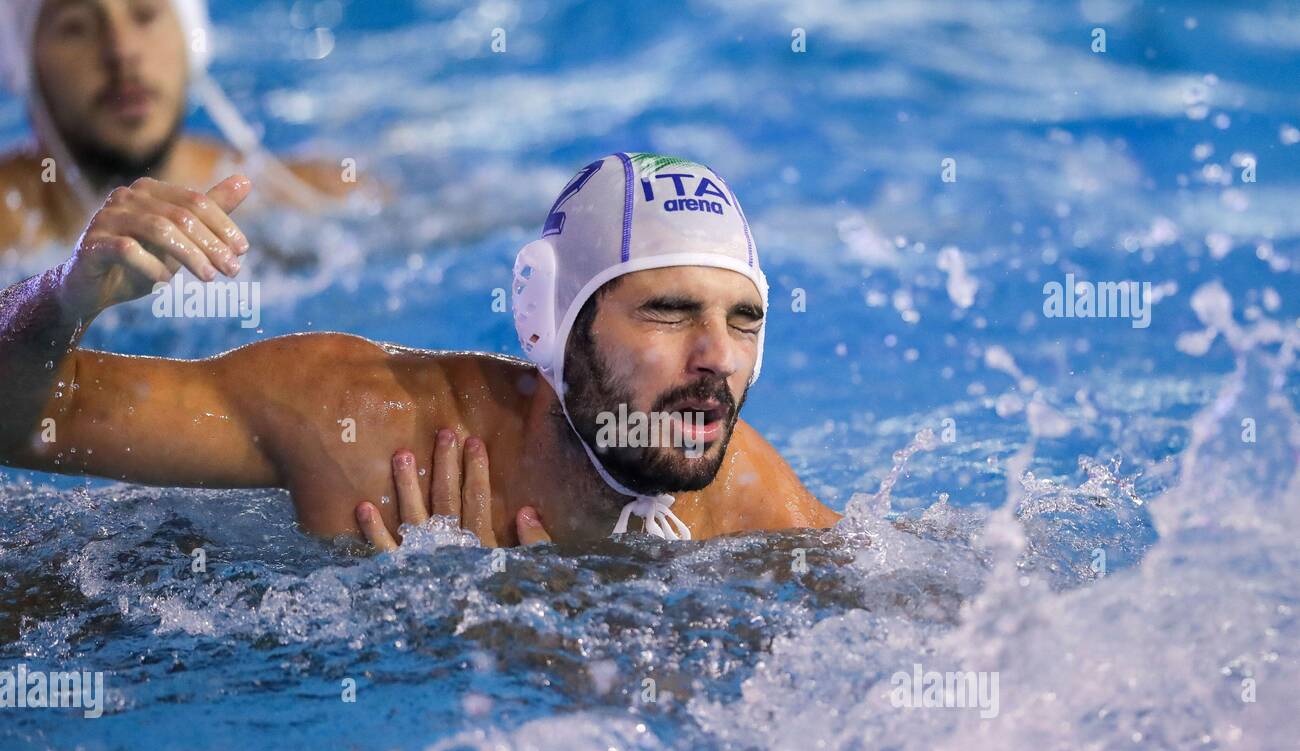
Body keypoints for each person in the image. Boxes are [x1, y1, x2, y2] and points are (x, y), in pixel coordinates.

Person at [0, 153, 841, 548]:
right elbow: (32, 425)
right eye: (669, 312)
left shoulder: (748, 507)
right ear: (551, 319)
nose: (717, 358)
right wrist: (61, 298)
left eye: (744, 320)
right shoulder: (358, 415)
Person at [0, 0, 351, 252]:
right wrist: (61, 302)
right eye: (76, 26)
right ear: (26, 65)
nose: (122, 51)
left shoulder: (309, 197)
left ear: (190, 41)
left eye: (146, 13)